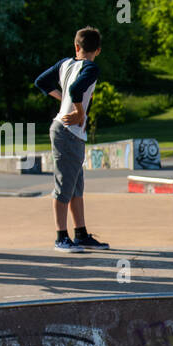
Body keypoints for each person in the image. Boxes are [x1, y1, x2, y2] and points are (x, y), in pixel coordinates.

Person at [35, 26, 107, 252]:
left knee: (76, 187)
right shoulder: (91, 68)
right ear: (98, 50)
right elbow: (76, 89)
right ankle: (61, 237)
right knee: (64, 187)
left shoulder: (64, 63)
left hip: (68, 132)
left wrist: (63, 98)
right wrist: (79, 111)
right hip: (67, 131)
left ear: (76, 47)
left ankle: (81, 234)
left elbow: (41, 82)